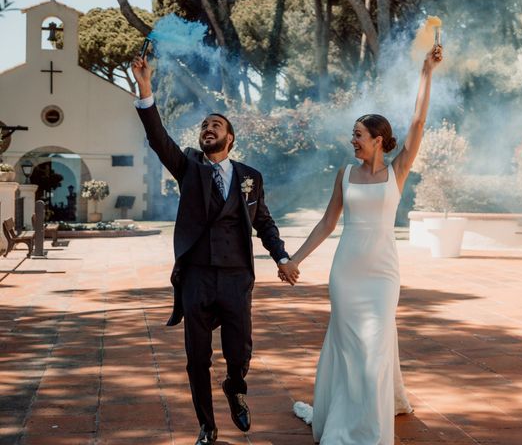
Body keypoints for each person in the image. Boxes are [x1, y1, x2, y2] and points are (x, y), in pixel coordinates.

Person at [132, 55, 300, 445]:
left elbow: (264, 224)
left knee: (239, 350)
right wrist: (145, 90)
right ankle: (207, 425)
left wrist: (283, 258)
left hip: (237, 275)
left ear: (230, 138)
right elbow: (158, 138)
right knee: (197, 357)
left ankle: (235, 385)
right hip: (197, 278)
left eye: (216, 125)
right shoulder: (189, 167)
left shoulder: (250, 177)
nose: (208, 129)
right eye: (205, 125)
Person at [291, 44, 443, 444]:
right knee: (348, 346)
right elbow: (327, 222)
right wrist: (295, 258)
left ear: (378, 140)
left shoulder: (398, 171)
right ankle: (341, 423)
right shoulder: (344, 173)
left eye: (358, 135)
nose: (352, 140)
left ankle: (371, 430)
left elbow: (419, 123)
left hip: (381, 274)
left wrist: (426, 73)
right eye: (352, 135)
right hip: (346, 272)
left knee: (374, 346)